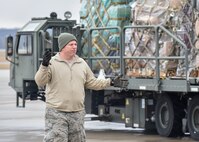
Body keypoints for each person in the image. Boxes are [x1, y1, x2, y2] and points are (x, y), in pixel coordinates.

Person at [35, 33, 120, 142]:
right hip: (56, 113)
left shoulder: (81, 63)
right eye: (71, 44)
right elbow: (40, 81)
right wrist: (44, 66)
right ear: (63, 47)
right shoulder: (52, 63)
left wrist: (111, 82)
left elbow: (92, 82)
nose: (74, 46)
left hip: (77, 113)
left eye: (75, 44)